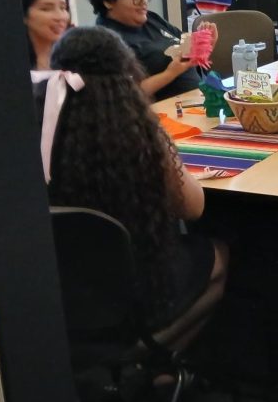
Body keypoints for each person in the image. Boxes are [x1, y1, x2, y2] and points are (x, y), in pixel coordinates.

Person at [41, 26, 227, 353]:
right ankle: (156, 359)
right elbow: (193, 207)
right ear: (127, 69)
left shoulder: (40, 128)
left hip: (61, 293)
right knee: (220, 255)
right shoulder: (137, 136)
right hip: (141, 285)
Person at [88, 0, 215, 100]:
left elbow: (186, 54)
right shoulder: (105, 40)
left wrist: (204, 45)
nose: (143, 2)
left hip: (198, 96)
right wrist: (169, 74)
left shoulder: (151, 19)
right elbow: (127, 94)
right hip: (164, 110)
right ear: (108, 2)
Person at [21, 0, 71, 70]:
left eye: (63, 8)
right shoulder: (11, 63)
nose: (60, 17)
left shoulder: (75, 58)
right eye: (46, 9)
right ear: (24, 14)